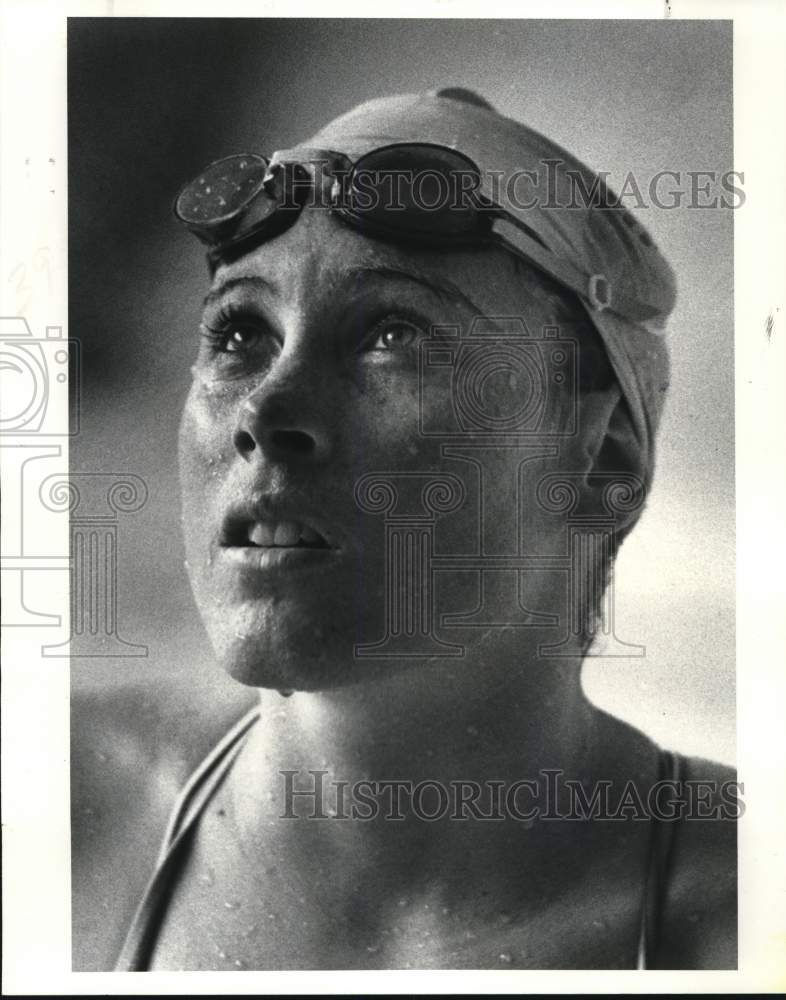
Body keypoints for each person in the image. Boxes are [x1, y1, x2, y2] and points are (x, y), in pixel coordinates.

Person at [73, 88, 737, 971]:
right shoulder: (60, 804)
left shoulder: (745, 915)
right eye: (238, 333)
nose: (267, 412)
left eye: (392, 334)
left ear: (602, 453)